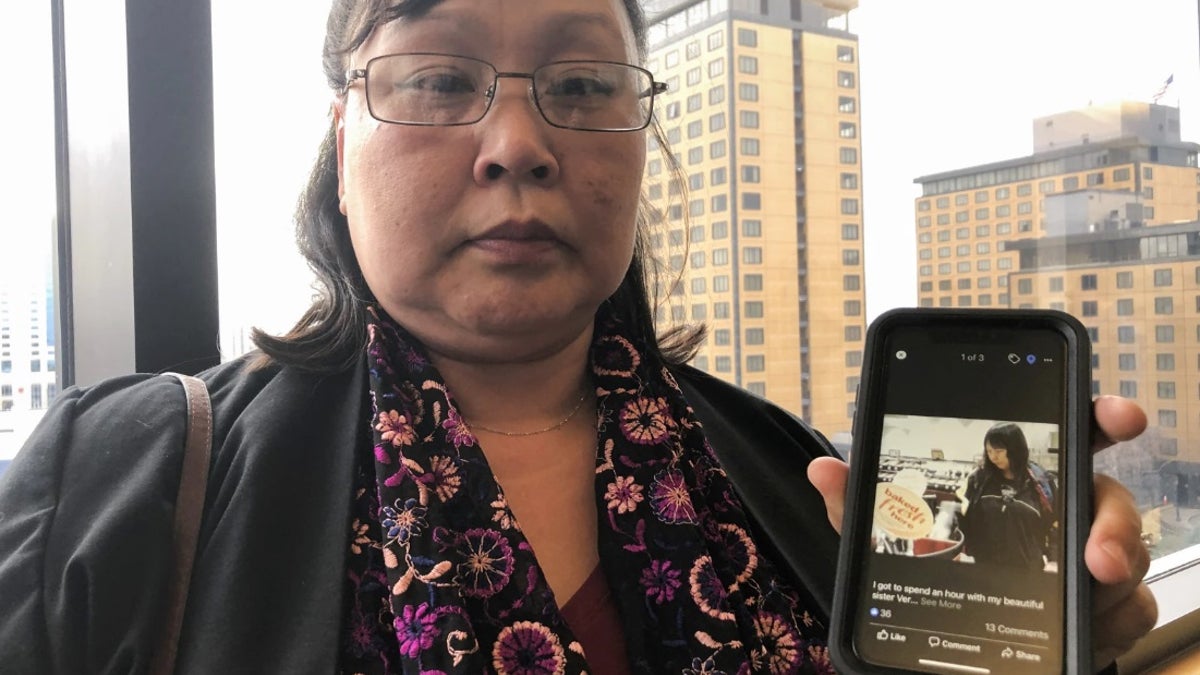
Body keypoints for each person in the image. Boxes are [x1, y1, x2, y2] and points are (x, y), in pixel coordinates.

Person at [0, 0, 1156, 672]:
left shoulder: (802, 478)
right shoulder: (116, 480)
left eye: (585, 84)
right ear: (338, 142)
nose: (516, 143)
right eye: (442, 77)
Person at [959, 423, 1058, 569]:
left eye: (999, 451)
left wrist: (1053, 559)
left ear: (1015, 449)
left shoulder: (1041, 482)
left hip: (1027, 568)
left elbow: (1056, 523)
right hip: (985, 565)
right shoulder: (979, 479)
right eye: (989, 451)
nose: (993, 457)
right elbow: (963, 515)